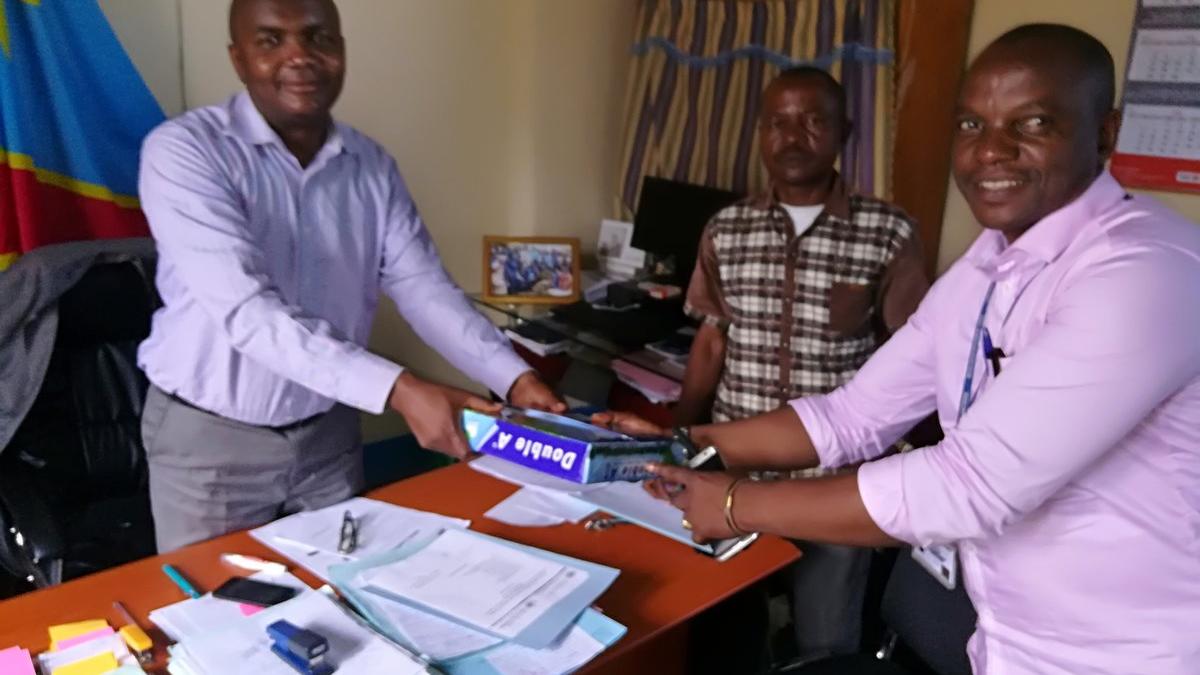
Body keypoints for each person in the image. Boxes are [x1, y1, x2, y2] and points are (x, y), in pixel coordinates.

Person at [601, 24, 1200, 674]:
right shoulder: (986, 267)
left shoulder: (1145, 268)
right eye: (971, 125)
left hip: (1129, 654)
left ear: (1105, 133)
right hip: (1005, 642)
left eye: (1031, 123)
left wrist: (729, 503)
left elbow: (968, 483)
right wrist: (686, 442)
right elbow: (851, 415)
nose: (990, 151)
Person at [137, 0, 563, 552]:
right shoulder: (184, 152)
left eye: (319, 38)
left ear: (341, 50)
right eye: (271, 41)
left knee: (345, 585)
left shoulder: (371, 165)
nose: (300, 56)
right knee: (210, 597)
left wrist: (514, 378)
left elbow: (423, 288)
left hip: (327, 434)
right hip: (212, 442)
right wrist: (399, 389)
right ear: (238, 59)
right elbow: (249, 313)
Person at [675, 66, 929, 662]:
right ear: (761, 132)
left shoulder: (888, 232)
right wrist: (680, 431)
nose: (792, 137)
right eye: (778, 122)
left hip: (833, 481)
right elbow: (711, 341)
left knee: (826, 639)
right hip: (734, 467)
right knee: (725, 627)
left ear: (844, 132)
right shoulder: (726, 229)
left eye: (813, 121)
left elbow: (913, 355)